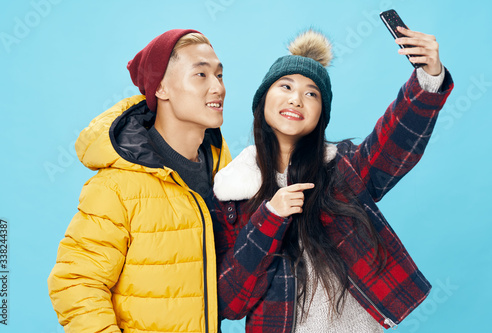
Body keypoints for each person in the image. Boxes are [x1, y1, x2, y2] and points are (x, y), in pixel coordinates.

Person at [212, 27, 453, 332]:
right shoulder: (232, 190)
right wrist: (270, 217)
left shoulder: (341, 168)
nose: (297, 99)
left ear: (321, 115)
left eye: (311, 93)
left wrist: (428, 79)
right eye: (285, 86)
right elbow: (230, 302)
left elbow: (395, 142)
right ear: (262, 100)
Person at [47, 29, 231, 333]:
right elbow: (76, 282)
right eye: (201, 74)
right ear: (161, 88)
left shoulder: (225, 176)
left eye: (220, 75)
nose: (218, 87)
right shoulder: (117, 186)